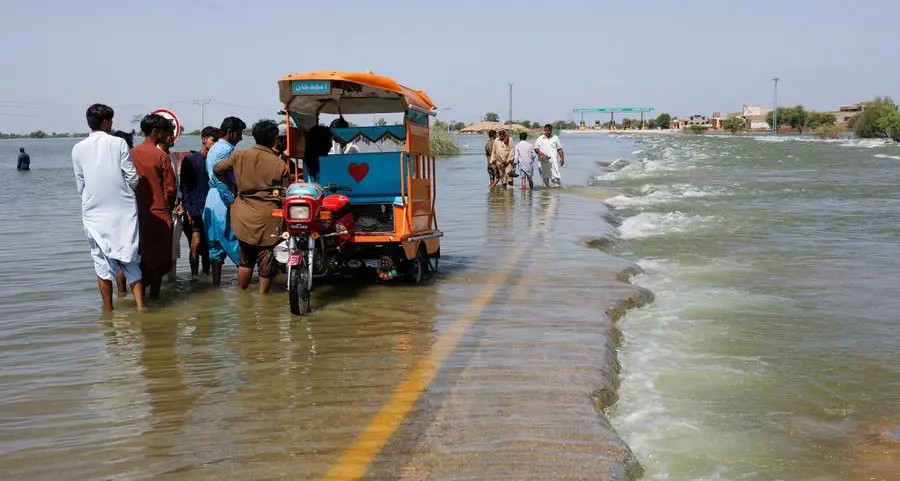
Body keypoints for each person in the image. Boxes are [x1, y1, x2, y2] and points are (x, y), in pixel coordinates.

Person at [71, 103, 145, 310]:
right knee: (130, 259)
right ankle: (140, 307)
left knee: (101, 265)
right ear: (105, 122)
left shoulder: (77, 148)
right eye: (111, 121)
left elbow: (81, 185)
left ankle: (108, 311)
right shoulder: (119, 143)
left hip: (93, 214)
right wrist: (126, 190)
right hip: (123, 211)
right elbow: (132, 177)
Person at [213, 119, 291, 294]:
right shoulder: (278, 163)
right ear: (274, 140)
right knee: (266, 258)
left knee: (245, 259)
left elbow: (217, 169)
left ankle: (243, 296)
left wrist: (232, 187)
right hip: (269, 216)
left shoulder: (239, 155)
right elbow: (287, 194)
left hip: (243, 214)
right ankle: (264, 300)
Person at [131, 113, 177, 299]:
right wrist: (168, 208)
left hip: (135, 214)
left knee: (137, 260)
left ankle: (136, 299)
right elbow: (171, 189)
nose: (168, 135)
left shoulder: (131, 153)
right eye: (166, 131)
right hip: (158, 213)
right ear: (155, 132)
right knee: (160, 262)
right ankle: (154, 298)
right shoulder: (160, 156)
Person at [203, 116, 245, 285]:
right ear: (231, 132)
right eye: (239, 134)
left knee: (215, 245)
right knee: (235, 242)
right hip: (222, 198)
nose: (241, 138)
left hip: (211, 198)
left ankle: (216, 285)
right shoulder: (226, 150)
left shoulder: (214, 148)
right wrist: (232, 200)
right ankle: (246, 289)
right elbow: (220, 177)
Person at [180, 126, 218, 278]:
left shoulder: (217, 162)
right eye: (213, 140)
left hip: (211, 209)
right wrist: (187, 209)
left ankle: (207, 275)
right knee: (195, 244)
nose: (215, 144)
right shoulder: (190, 160)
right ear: (204, 140)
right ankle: (194, 277)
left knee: (209, 247)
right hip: (194, 209)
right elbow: (184, 187)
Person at [154, 123, 184, 283]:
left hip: (176, 212)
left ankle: (171, 283)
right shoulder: (156, 155)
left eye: (173, 133)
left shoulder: (171, 156)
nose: (172, 136)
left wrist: (180, 202)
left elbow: (175, 185)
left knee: (174, 252)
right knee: (162, 253)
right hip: (162, 212)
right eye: (169, 133)